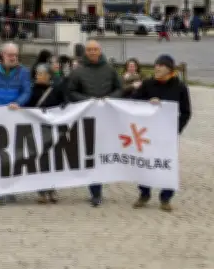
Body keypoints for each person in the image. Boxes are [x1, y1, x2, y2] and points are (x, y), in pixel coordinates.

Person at [64, 39, 123, 207]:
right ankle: (95, 191)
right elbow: (71, 92)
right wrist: (88, 101)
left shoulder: (110, 70)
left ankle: (100, 185)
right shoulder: (78, 72)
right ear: (85, 52)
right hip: (87, 118)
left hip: (107, 117)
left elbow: (120, 88)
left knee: (104, 152)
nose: (92, 52)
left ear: (100, 51)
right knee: (91, 154)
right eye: (89, 50)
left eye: (95, 49)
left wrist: (109, 99)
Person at [132, 55, 192, 212]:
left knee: (166, 164)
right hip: (148, 132)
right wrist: (147, 102)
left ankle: (166, 197)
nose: (157, 68)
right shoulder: (147, 84)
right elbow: (133, 101)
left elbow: (186, 112)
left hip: (168, 134)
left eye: (161, 65)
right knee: (145, 163)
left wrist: (175, 129)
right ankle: (144, 193)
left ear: (169, 69)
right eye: (156, 64)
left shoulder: (180, 87)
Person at [0, 43, 31, 204]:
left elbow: (27, 91)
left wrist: (19, 102)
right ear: (2, 55)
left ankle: (10, 188)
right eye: (10, 55)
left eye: (15, 55)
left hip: (14, 117)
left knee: (13, 153)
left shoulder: (23, 72)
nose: (13, 57)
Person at [27, 63, 65, 203]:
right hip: (37, 129)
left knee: (53, 159)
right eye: (37, 73)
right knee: (40, 160)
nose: (38, 76)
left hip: (52, 129)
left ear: (49, 75)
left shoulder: (56, 90)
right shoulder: (31, 90)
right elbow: (27, 106)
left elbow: (63, 104)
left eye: (41, 74)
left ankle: (52, 189)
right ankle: (42, 191)